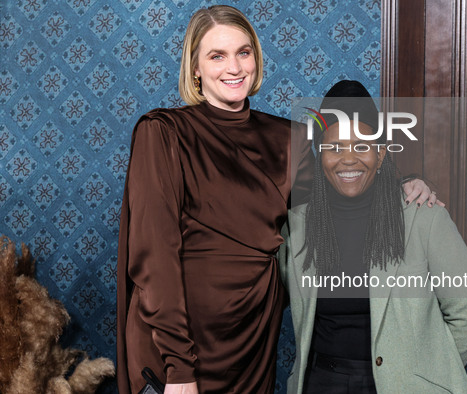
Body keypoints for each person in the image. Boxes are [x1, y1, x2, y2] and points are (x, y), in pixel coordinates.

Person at [116, 6, 439, 394]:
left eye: (244, 52)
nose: (234, 67)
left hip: (251, 340)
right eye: (217, 56)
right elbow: (153, 258)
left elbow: (348, 185)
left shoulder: (294, 141)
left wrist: (406, 182)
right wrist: (179, 367)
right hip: (177, 346)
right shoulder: (163, 133)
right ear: (195, 68)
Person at [279, 80, 467, 394]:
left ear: (380, 154)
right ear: (320, 157)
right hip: (320, 382)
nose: (348, 159)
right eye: (334, 147)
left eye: (362, 146)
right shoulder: (297, 228)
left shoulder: (423, 217)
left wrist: (423, 374)